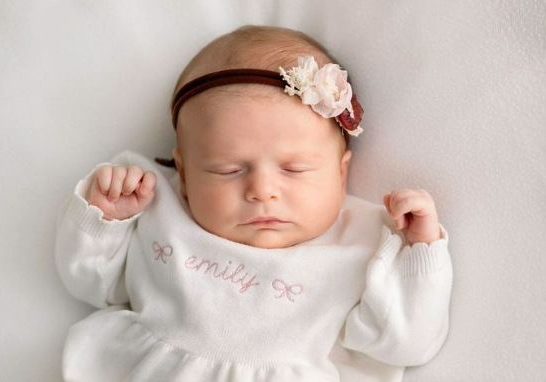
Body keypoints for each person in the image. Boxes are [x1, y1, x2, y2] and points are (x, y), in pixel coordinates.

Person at [55, 25, 453, 382]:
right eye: (227, 170)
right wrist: (105, 220)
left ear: (341, 174)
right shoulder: (158, 203)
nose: (262, 191)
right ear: (186, 174)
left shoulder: (359, 243)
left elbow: (407, 343)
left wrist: (422, 253)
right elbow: (91, 286)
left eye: (294, 169)